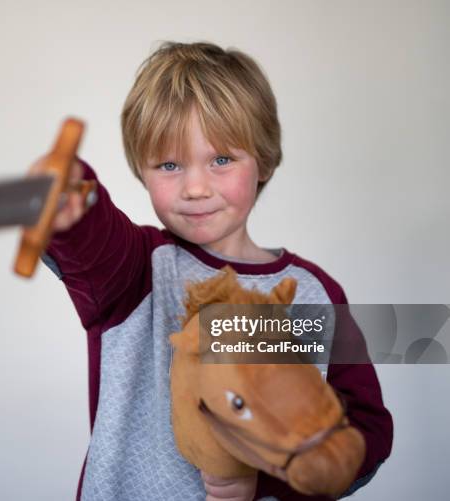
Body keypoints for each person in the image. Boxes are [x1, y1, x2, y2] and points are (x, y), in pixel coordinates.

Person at [42, 42, 393, 500]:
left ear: (262, 161)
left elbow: (364, 430)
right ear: (141, 172)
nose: (194, 187)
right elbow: (91, 239)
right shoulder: (136, 271)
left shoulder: (312, 294)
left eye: (221, 159)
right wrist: (74, 200)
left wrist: (260, 480)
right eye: (169, 164)